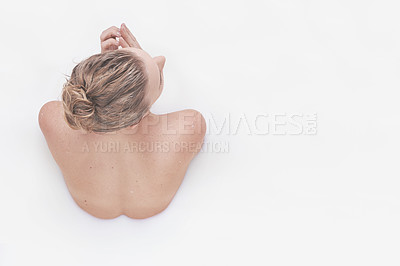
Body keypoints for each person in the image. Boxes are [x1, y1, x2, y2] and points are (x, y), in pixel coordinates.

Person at [38, 23, 206, 219]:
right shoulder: (190, 127)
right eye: (158, 78)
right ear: (135, 121)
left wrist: (104, 82)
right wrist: (140, 77)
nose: (161, 59)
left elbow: (101, 115)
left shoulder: (50, 118)